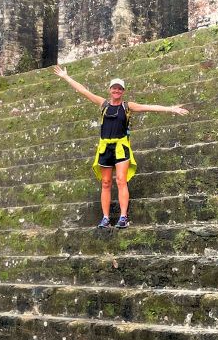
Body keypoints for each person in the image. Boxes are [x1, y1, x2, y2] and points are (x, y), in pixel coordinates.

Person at [52, 66, 190, 228]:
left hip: (121, 147)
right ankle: (105, 218)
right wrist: (66, 77)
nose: (117, 91)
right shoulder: (103, 104)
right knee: (105, 182)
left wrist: (171, 109)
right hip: (105, 148)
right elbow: (84, 91)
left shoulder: (127, 106)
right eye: (114, 88)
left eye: (120, 89)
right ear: (110, 90)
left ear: (122, 91)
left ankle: (123, 217)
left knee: (121, 180)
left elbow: (149, 107)